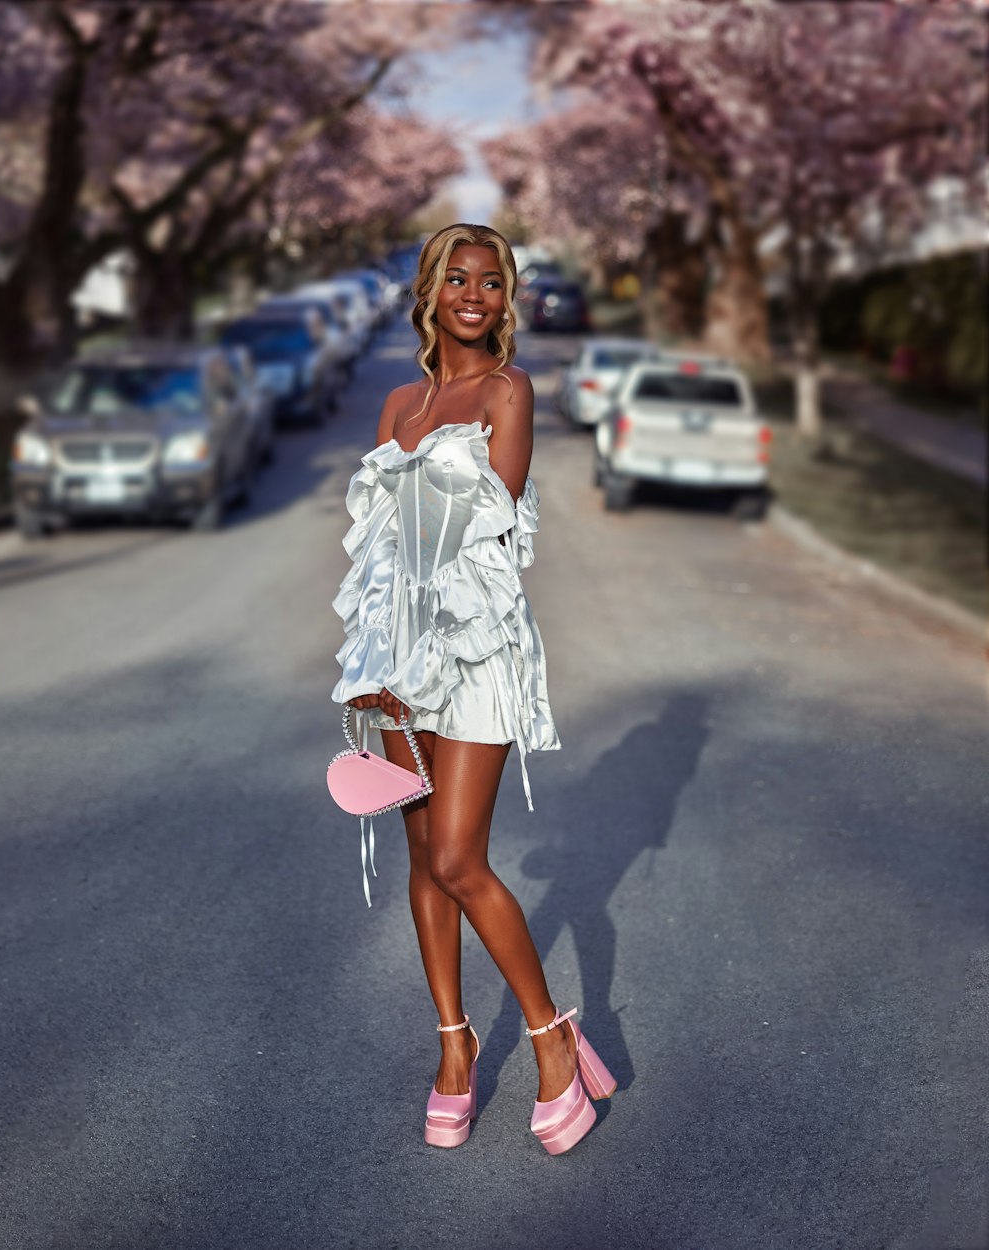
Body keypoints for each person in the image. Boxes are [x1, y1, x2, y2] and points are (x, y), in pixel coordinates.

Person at [331, 224, 615, 1155]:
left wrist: (427, 647)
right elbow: (378, 561)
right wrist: (374, 674)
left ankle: (552, 1039)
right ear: (429, 293)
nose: (474, 295)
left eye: (490, 284)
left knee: (458, 857)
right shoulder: (396, 406)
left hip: (479, 652)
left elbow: (489, 529)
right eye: (457, 279)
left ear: (505, 300)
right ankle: (454, 1051)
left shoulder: (507, 392)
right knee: (421, 864)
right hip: (398, 666)